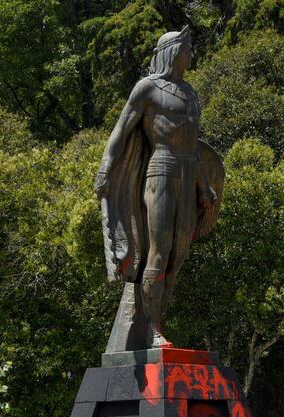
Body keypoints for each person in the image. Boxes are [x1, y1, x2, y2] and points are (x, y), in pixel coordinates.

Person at [94, 27, 224, 352]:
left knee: (179, 255)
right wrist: (106, 169)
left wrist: (204, 186)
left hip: (188, 171)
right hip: (161, 170)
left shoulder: (190, 94)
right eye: (187, 47)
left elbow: (193, 146)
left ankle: (156, 320)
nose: (191, 54)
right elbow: (121, 130)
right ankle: (152, 330)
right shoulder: (147, 88)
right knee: (160, 249)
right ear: (173, 51)